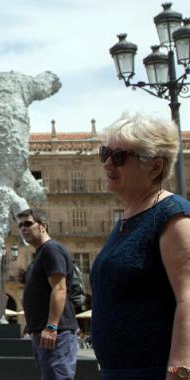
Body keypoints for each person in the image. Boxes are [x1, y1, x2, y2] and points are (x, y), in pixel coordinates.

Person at [90, 113, 190, 379]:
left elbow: (188, 298)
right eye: (105, 153)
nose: (108, 163)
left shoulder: (173, 216)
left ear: (155, 167)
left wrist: (179, 372)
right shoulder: (129, 216)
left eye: (120, 156)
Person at [17, 208, 79, 379]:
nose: (23, 228)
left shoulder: (51, 249)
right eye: (20, 225)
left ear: (43, 226)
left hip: (56, 333)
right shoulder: (40, 254)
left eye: (28, 223)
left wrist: (51, 327)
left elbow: (60, 289)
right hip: (43, 333)